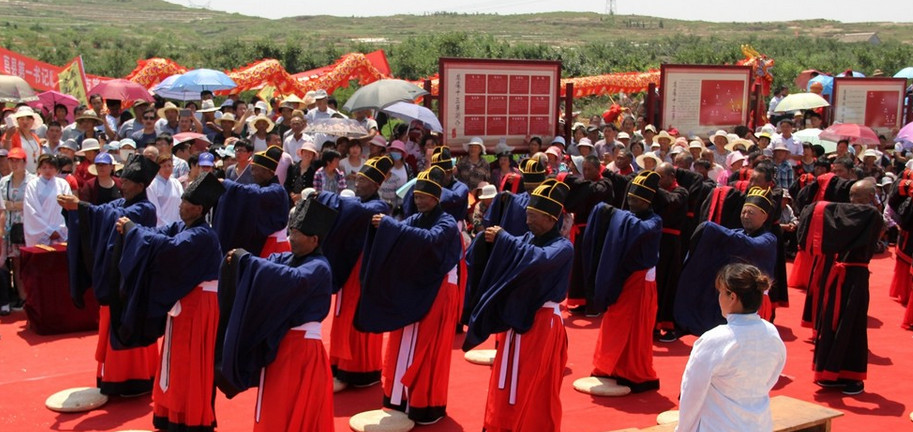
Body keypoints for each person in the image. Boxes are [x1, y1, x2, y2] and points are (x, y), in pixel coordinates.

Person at [110, 172, 224, 431]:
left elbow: (170, 248)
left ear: (198, 208)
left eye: (185, 202)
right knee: (178, 361)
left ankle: (192, 417)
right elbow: (157, 234)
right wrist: (133, 229)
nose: (180, 205)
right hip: (187, 305)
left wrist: (133, 231)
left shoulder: (203, 235)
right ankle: (175, 413)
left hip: (199, 308)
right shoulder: (184, 227)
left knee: (190, 363)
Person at [217, 196, 337, 431]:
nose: (291, 238)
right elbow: (269, 265)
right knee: (275, 408)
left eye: (297, 234)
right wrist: (242, 262)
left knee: (291, 408)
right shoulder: (289, 258)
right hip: (280, 345)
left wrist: (247, 261)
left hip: (301, 350)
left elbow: (289, 279)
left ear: (314, 239)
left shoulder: (319, 267)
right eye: (290, 232)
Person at [463, 179, 574, 431]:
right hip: (515, 319)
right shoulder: (527, 237)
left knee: (531, 382)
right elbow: (515, 248)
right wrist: (490, 242)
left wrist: (504, 239)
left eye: (533, 216)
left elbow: (537, 259)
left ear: (550, 219)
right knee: (506, 381)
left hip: (541, 325)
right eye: (527, 215)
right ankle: (501, 424)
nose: (527, 221)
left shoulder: (562, 247)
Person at [355, 166, 463, 424]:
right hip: (415, 290)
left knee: (428, 348)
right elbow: (402, 234)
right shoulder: (415, 218)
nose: (418, 201)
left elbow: (429, 239)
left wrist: (391, 227)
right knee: (401, 341)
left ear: (435, 198)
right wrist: (382, 229)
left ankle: (426, 404)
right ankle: (398, 398)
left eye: (423, 197)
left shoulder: (446, 222)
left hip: (438, 291)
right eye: (415, 197)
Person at [59, 154, 160, 396]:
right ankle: (113, 375)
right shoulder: (122, 202)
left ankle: (134, 378)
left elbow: (115, 219)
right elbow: (101, 211)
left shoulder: (145, 208)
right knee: (112, 322)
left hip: (132, 278)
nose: (121, 185)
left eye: (125, 182)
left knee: (128, 323)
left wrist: (80, 207)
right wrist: (78, 208)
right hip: (115, 275)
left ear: (139, 186)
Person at [676, 263, 787, 432]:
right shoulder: (771, 333)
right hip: (759, 425)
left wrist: (683, 429)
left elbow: (692, 392)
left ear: (732, 297)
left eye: (721, 292)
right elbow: (771, 378)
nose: (719, 298)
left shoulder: (715, 340)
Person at [316, 156, 393, 389]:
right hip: (350, 267)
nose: (357, 184)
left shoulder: (379, 206)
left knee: (356, 316)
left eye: (363, 180)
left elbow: (352, 210)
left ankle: (360, 370)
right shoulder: (359, 203)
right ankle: (340, 366)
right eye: (357, 179)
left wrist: (324, 196)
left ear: (375, 185)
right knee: (343, 316)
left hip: (364, 270)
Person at [582, 170, 662, 393]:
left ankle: (634, 372)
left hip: (640, 282)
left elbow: (637, 228)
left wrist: (611, 213)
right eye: (630, 199)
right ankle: (610, 367)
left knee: (635, 327)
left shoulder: (654, 221)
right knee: (615, 322)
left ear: (647, 202)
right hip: (623, 278)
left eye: (637, 200)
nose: (632, 203)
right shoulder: (629, 217)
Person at [798, 199, 882, 395]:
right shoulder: (858, 215)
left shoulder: (871, 216)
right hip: (839, 275)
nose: (853, 204)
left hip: (855, 279)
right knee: (831, 323)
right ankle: (831, 373)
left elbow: (821, 211)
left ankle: (853, 377)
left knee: (851, 326)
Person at [675, 187, 778, 336]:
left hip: (754, 301)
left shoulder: (768, 239)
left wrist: (711, 228)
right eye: (743, 212)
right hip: (734, 298)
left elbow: (749, 245)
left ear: (764, 216)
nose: (746, 216)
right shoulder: (737, 233)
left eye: (751, 213)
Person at [213, 145, 290, 256]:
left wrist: (226, 184)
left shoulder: (277, 191)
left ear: (267, 172)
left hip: (273, 245)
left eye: (255, 170)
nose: (252, 173)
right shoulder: (259, 186)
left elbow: (255, 194)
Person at [0, 148, 35, 311]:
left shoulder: (32, 181)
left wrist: (12, 205)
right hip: (7, 226)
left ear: (24, 162)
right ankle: (20, 296)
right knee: (14, 262)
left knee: (27, 262)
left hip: (26, 226)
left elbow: (31, 203)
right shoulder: (3, 181)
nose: (14, 164)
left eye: (17, 161)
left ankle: (30, 295)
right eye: (11, 160)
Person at [23, 154, 70, 246]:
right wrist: (47, 231)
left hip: (60, 230)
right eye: (44, 167)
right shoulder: (32, 185)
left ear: (57, 169)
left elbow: (68, 208)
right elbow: (31, 210)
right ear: (39, 169)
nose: (47, 170)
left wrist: (60, 229)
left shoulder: (63, 184)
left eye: (51, 167)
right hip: (39, 231)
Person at [146, 154, 185, 227]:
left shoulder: (176, 183)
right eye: (163, 166)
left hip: (177, 224)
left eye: (169, 166)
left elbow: (182, 202)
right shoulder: (152, 185)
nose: (167, 169)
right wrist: (165, 226)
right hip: (160, 226)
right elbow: (154, 208)